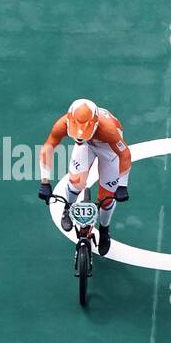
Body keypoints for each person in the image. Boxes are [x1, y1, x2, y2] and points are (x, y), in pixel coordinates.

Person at [36, 98, 130, 256]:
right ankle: (68, 209)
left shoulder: (109, 129)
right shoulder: (64, 123)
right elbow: (48, 146)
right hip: (86, 146)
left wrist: (122, 185)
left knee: (106, 198)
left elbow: (124, 154)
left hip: (109, 149)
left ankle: (105, 230)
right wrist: (44, 182)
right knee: (75, 182)